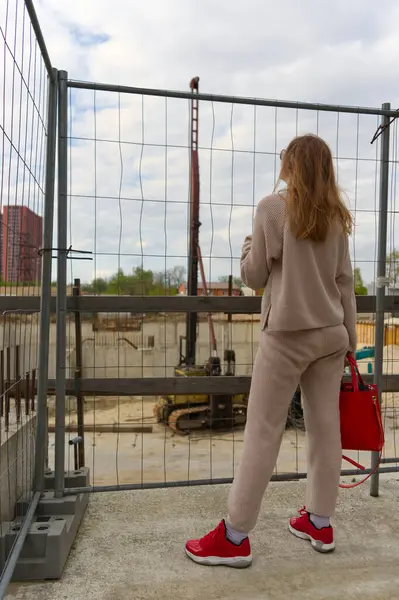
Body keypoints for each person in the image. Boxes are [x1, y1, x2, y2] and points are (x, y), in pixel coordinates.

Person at [185, 134, 357, 567]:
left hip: (286, 335)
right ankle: (319, 521)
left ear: (293, 164)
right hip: (331, 336)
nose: (280, 158)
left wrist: (247, 245)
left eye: (285, 154)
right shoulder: (336, 215)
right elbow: (344, 283)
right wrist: (350, 341)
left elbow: (254, 275)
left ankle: (235, 535)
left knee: (263, 429)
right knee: (325, 429)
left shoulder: (273, 208)